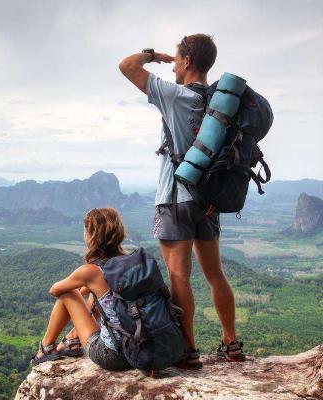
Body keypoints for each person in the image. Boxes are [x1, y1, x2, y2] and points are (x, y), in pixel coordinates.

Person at [117, 34, 246, 369]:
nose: (172, 66)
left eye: (176, 60)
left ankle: (188, 351)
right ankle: (231, 344)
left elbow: (126, 66)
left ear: (187, 61)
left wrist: (152, 55)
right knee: (215, 274)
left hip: (175, 199)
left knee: (179, 277)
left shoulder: (174, 95)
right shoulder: (220, 104)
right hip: (208, 200)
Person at [30, 208, 131, 370]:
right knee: (97, 294)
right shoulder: (129, 261)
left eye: (85, 231)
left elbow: (55, 290)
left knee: (68, 292)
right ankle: (73, 338)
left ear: (92, 236)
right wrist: (88, 287)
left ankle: (45, 348)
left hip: (114, 355)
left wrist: (81, 285)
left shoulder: (91, 271)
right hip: (141, 348)